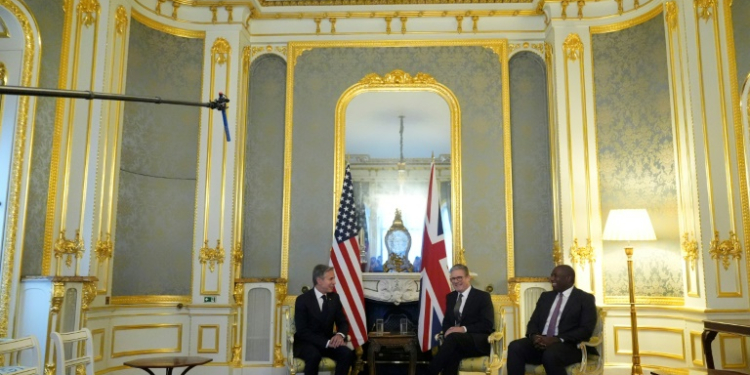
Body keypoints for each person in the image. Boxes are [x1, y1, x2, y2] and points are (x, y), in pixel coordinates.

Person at [507, 265, 598, 375]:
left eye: (555, 276)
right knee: (515, 347)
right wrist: (534, 336)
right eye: (552, 275)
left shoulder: (584, 299)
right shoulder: (546, 296)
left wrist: (556, 339)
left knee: (551, 355)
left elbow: (586, 330)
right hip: (541, 343)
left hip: (569, 346)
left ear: (568, 278)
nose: (551, 279)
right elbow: (533, 322)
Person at [427, 264, 494, 375]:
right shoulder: (451, 297)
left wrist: (462, 329)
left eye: (459, 278)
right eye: (453, 278)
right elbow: (447, 322)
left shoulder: (483, 297)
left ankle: (429, 372)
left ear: (468, 278)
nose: (456, 281)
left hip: (477, 341)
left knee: (453, 339)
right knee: (453, 353)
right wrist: (448, 332)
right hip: (456, 343)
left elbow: (487, 324)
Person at [294, 264, 355, 375]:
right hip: (307, 343)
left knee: (347, 353)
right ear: (319, 280)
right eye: (330, 279)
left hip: (328, 341)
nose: (334, 282)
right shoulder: (302, 300)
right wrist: (326, 343)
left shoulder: (334, 298)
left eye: (334, 278)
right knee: (314, 356)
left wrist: (340, 335)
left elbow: (343, 322)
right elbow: (302, 331)